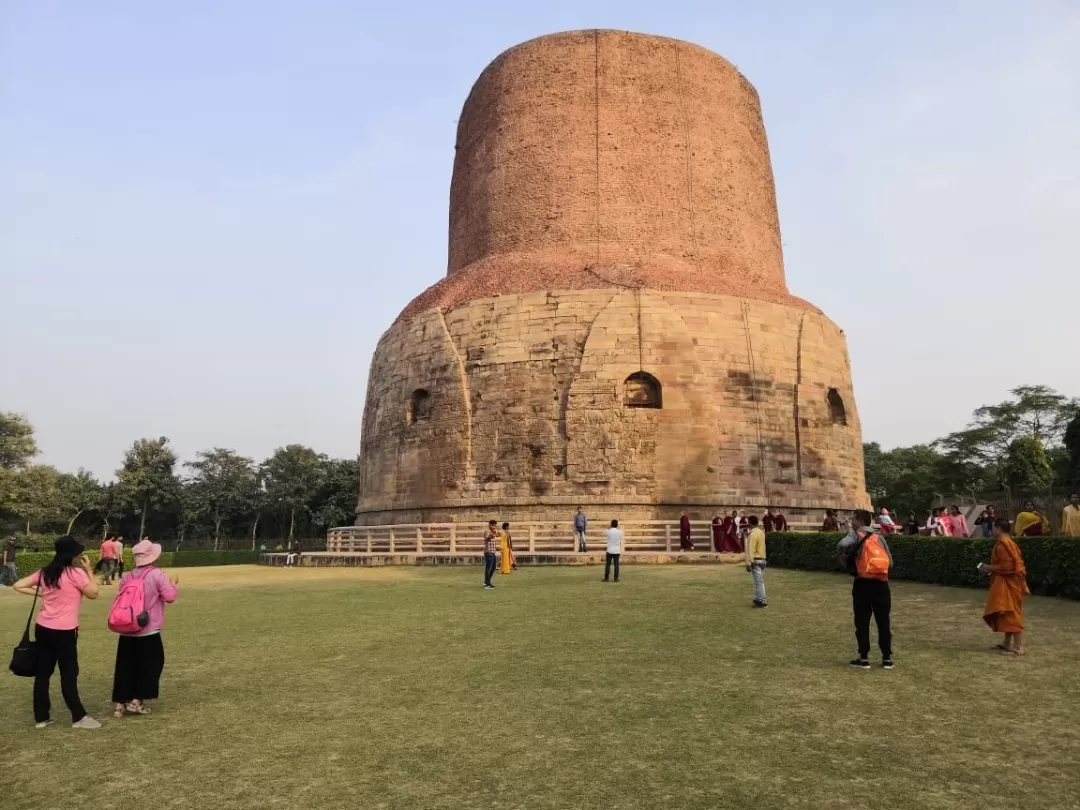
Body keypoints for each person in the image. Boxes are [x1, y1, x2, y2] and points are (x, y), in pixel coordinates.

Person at [12, 536, 102, 729]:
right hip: (65, 631)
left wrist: (42, 592)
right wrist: (89, 570)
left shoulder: (45, 572)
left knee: (43, 672)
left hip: (43, 627)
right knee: (69, 672)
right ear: (72, 554)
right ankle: (79, 717)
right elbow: (93, 593)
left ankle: (41, 717)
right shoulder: (75, 573)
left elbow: (18, 585)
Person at [111, 538, 179, 717]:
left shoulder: (126, 576)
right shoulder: (157, 574)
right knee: (151, 664)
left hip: (126, 628)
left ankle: (120, 703)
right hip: (148, 629)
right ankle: (137, 700)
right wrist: (173, 584)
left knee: (125, 666)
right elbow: (169, 597)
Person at [836, 509, 893, 670]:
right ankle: (887, 658)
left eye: (853, 519)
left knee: (862, 622)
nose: (851, 522)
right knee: (884, 622)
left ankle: (864, 658)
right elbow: (890, 563)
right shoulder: (879, 538)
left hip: (863, 584)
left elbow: (841, 544)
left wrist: (842, 558)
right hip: (882, 584)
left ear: (860, 521)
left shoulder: (855, 535)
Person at [979, 518, 1029, 655]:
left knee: (1011, 612)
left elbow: (1010, 566)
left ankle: (1018, 647)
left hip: (1010, 582)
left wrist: (989, 568)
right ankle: (1007, 643)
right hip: (1005, 581)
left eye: (994, 527)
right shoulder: (1004, 543)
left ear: (999, 528)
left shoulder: (1004, 544)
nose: (992, 530)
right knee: (1005, 611)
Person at [745, 516, 767, 607]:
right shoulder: (761, 532)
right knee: (759, 581)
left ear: (750, 523)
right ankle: (759, 598)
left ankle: (762, 600)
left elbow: (751, 549)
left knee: (758, 582)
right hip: (761, 559)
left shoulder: (753, 534)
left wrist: (748, 563)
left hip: (756, 560)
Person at [482, 520, 498, 589]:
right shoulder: (487, 531)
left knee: (494, 567)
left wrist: (495, 533)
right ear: (489, 525)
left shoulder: (494, 531)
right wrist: (491, 536)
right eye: (492, 525)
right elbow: (486, 539)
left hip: (493, 552)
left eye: (495, 525)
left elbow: (498, 535)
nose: (494, 526)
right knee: (488, 568)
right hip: (488, 552)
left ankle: (487, 581)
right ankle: (487, 585)